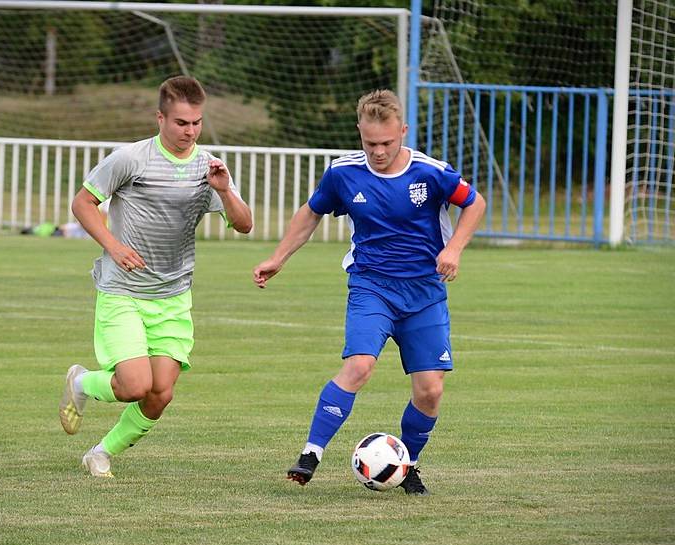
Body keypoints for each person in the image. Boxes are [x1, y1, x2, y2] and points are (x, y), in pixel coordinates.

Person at [253, 89, 485, 495]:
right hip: (371, 286)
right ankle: (310, 454)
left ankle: (408, 465)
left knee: (430, 390)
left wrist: (454, 248)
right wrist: (279, 257)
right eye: (369, 143)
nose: (378, 151)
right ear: (359, 133)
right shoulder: (343, 173)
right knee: (359, 365)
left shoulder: (430, 172)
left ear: (403, 132)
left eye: (387, 143)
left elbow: (475, 202)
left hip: (424, 293)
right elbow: (312, 212)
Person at [59, 76, 252, 478]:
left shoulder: (209, 167)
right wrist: (113, 246)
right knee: (133, 385)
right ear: (160, 117)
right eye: (181, 122)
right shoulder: (130, 159)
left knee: (159, 395)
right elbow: (83, 203)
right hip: (123, 291)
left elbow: (245, 224)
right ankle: (81, 383)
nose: (190, 131)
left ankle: (100, 452)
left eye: (197, 123)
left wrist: (225, 190)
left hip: (173, 295)